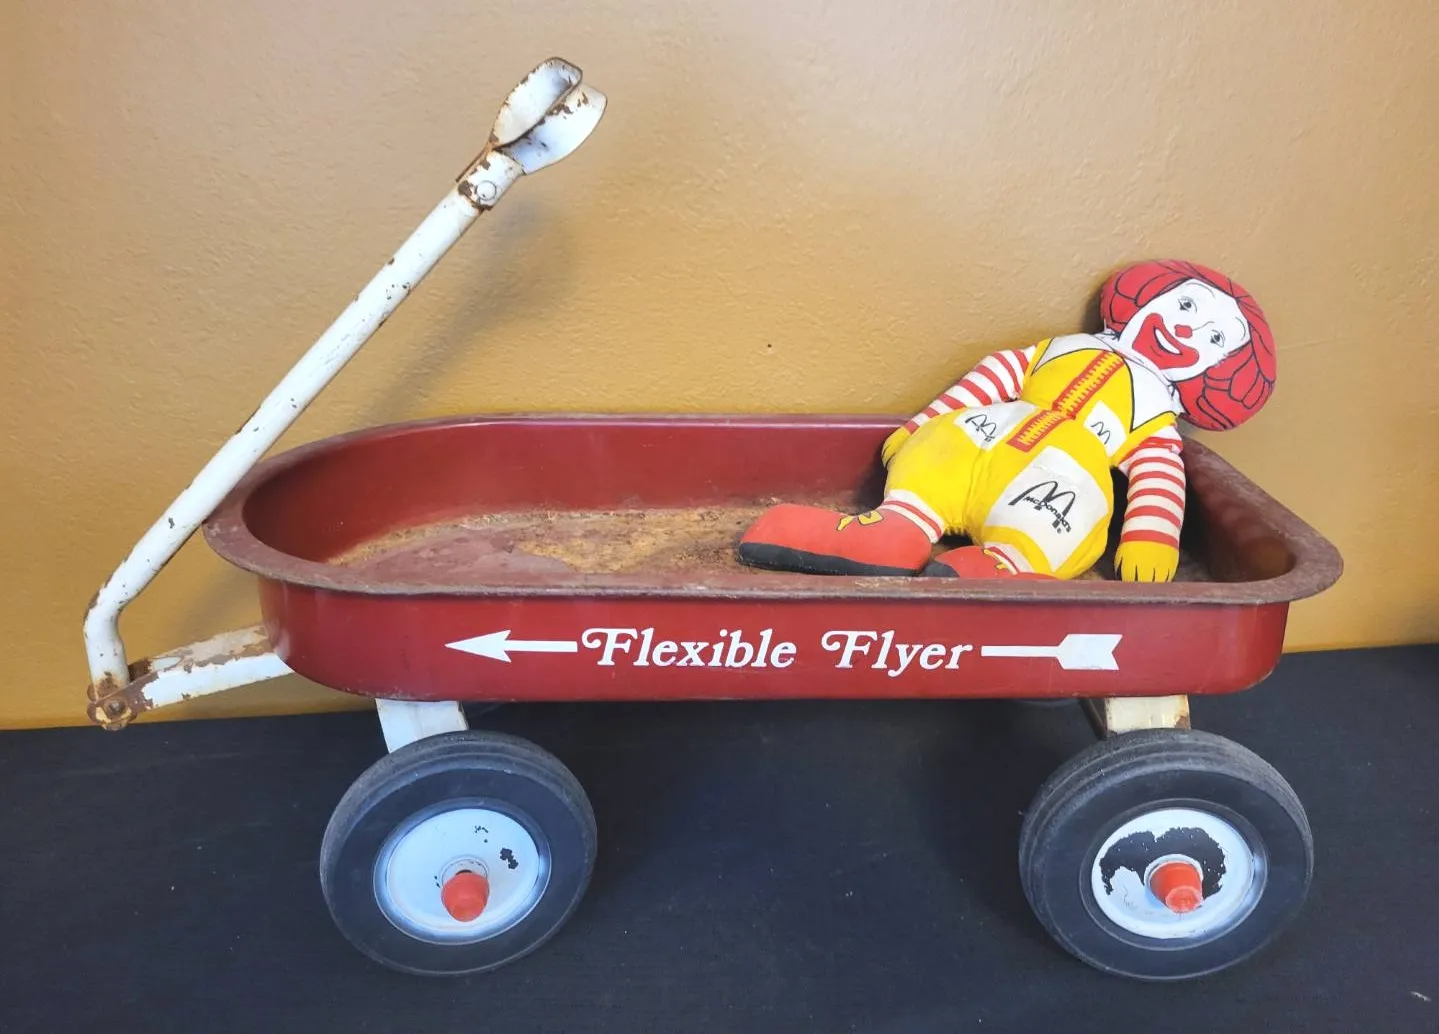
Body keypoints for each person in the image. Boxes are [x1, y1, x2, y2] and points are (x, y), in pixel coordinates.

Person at [736, 259, 1276, 582]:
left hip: (1059, 478)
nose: (1184, 331)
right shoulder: (1061, 349)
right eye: (1186, 308)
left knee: (1058, 520)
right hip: (985, 435)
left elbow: (1160, 476)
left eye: (1213, 338)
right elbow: (994, 375)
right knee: (937, 458)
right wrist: (925, 424)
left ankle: (1008, 566)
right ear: (1146, 298)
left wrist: (1150, 539)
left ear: (1218, 370)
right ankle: (895, 529)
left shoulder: (1155, 418)